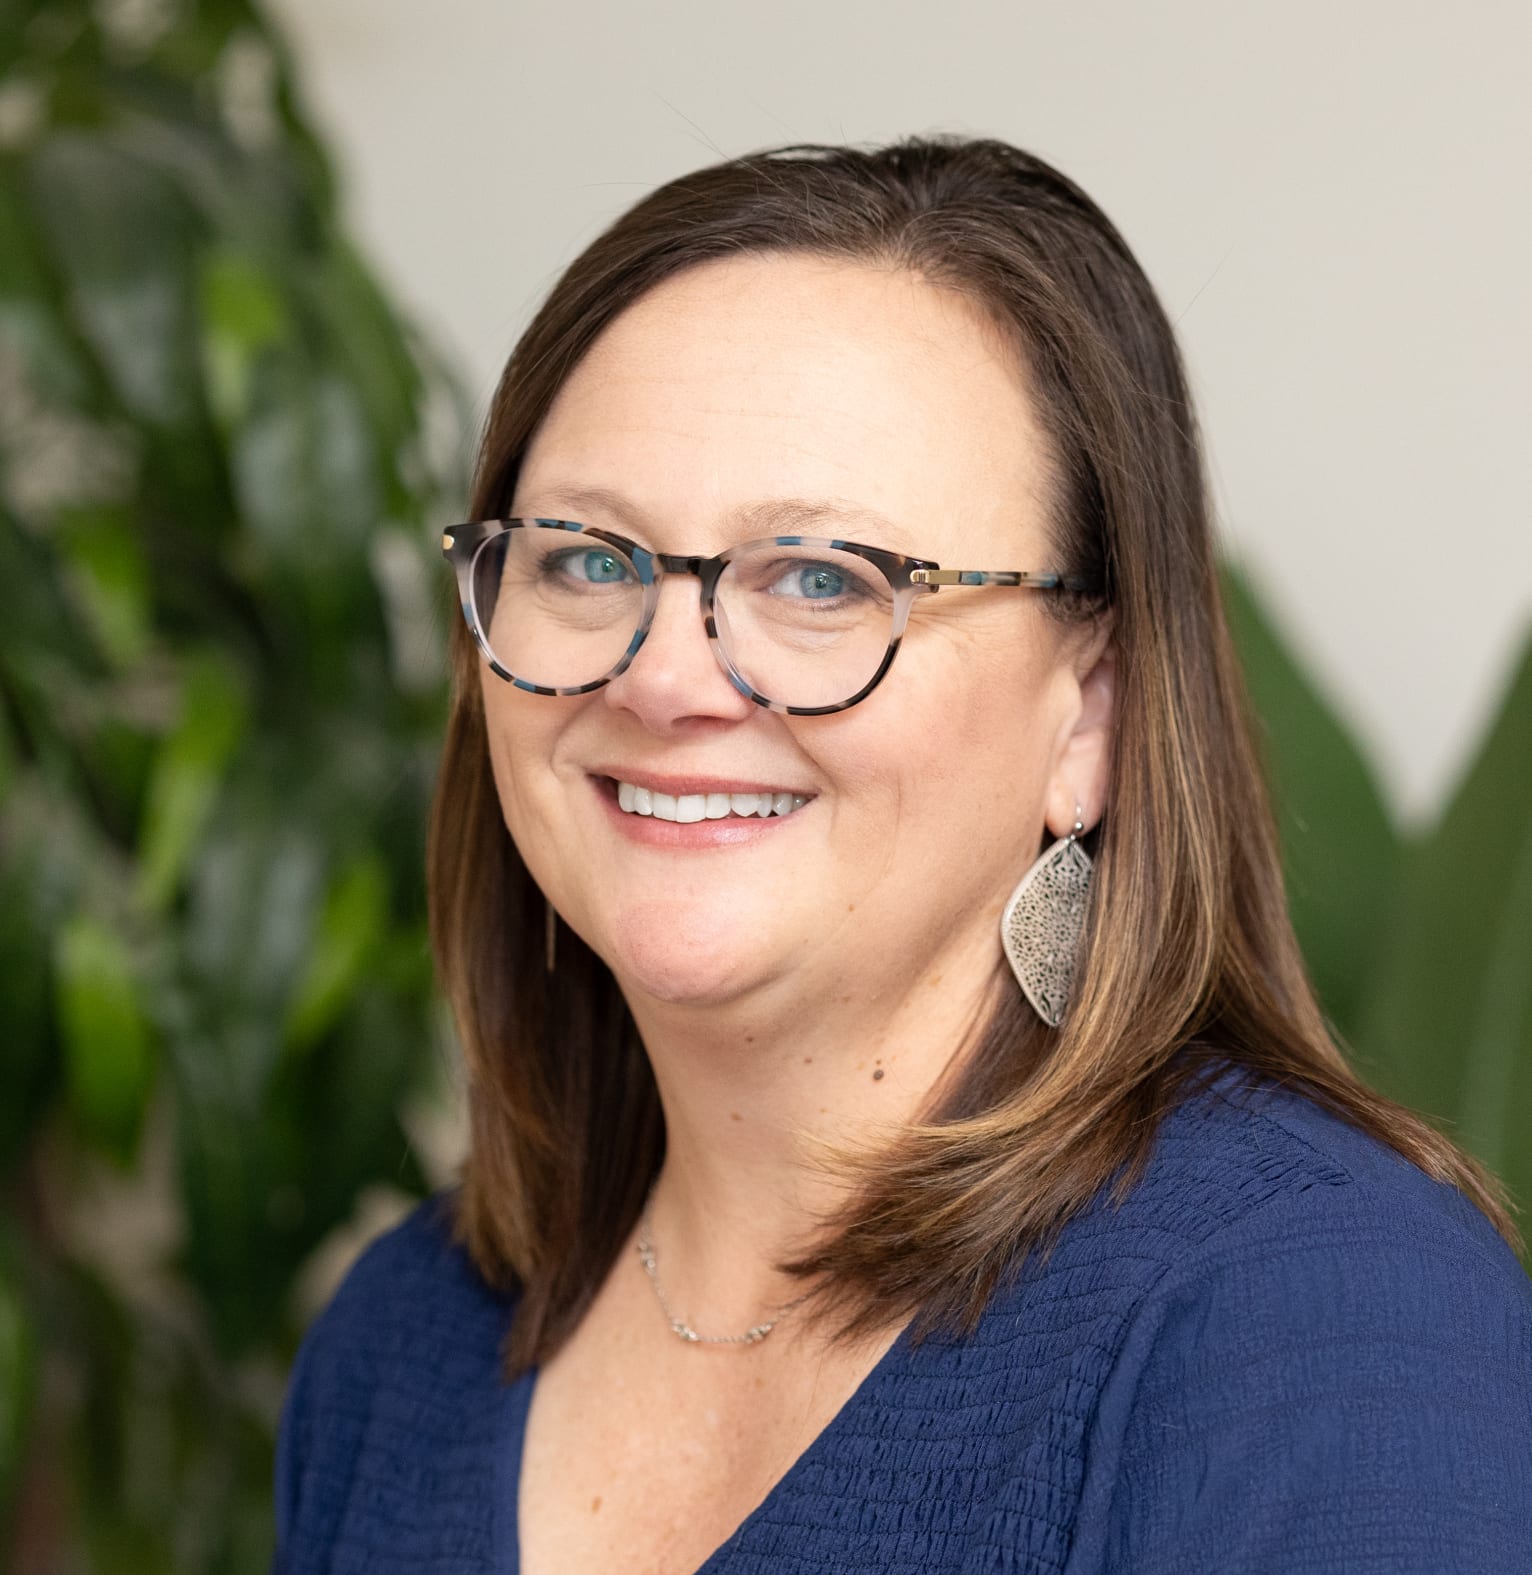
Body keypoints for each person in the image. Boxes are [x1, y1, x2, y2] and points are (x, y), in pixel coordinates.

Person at [271, 135, 1532, 1574]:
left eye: (823, 579)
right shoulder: (400, 1346)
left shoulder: (1323, 1322)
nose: (667, 680)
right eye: (586, 559)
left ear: (1090, 717)